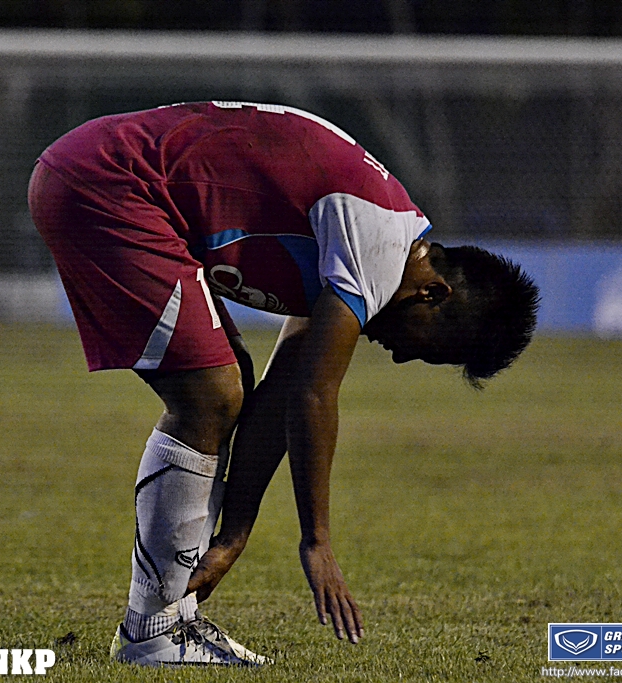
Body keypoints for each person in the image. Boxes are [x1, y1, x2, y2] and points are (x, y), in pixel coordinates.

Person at [28, 101, 539, 666]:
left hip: (98, 176)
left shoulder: (368, 239)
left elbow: (281, 392)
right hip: (107, 186)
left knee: (228, 387)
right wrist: (316, 541)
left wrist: (234, 535)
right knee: (210, 396)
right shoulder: (377, 246)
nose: (400, 357)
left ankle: (170, 622)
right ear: (434, 293)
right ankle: (153, 632)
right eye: (425, 351)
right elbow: (314, 394)